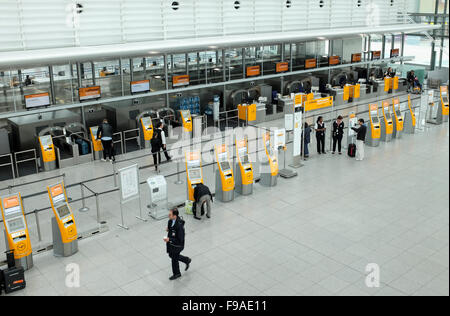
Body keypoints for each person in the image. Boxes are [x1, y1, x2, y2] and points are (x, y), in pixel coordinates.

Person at [164, 208, 191, 280]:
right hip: (171, 244)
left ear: (175, 216)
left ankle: (177, 273)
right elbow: (171, 229)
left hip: (177, 245)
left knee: (174, 259)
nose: (168, 216)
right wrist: (168, 229)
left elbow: (180, 239)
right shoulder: (170, 221)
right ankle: (186, 260)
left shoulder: (179, 226)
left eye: (170, 215)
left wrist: (170, 239)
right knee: (171, 255)